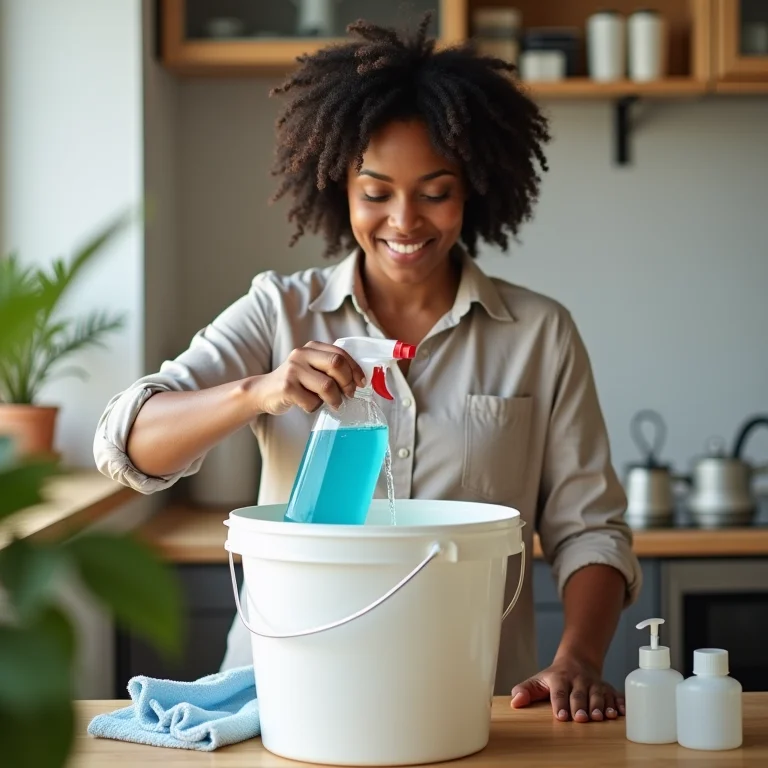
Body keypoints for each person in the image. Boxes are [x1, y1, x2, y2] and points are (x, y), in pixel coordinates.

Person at [94, 14, 641, 725]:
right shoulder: (279, 312)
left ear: (473, 189)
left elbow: (590, 530)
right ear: (339, 189)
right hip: (286, 697)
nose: (404, 221)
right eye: (376, 192)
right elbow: (128, 444)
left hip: (468, 704)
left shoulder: (540, 335)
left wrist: (580, 659)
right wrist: (260, 391)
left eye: (435, 191)